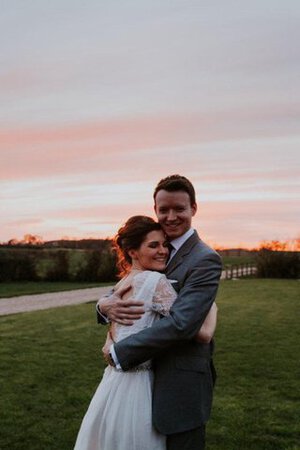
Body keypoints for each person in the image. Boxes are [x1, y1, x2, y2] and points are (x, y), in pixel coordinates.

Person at [98, 175, 222, 450]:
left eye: (179, 209)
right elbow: (130, 283)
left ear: (194, 208)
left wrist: (122, 352)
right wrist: (102, 305)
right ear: (155, 209)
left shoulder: (205, 259)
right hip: (142, 383)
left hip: (181, 383)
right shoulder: (155, 246)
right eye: (163, 210)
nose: (171, 216)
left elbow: (182, 324)